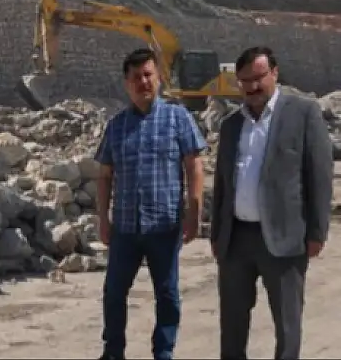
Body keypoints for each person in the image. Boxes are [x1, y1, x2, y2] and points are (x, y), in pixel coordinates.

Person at [210, 46, 332, 360]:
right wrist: (216, 234)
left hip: (285, 237)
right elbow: (222, 184)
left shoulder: (303, 114)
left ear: (274, 73)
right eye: (244, 80)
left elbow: (319, 176)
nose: (252, 86)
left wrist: (317, 232)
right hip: (236, 239)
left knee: (287, 324)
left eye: (258, 78)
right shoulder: (231, 125)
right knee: (232, 324)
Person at [95, 47, 207, 360]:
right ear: (126, 83)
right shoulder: (116, 126)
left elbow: (194, 165)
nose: (143, 82)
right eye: (136, 77)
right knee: (114, 293)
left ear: (158, 77)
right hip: (126, 228)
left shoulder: (177, 117)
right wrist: (102, 218)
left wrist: (193, 212)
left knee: (168, 294)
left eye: (148, 75)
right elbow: (104, 175)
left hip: (164, 225)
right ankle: (113, 351)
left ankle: (164, 352)